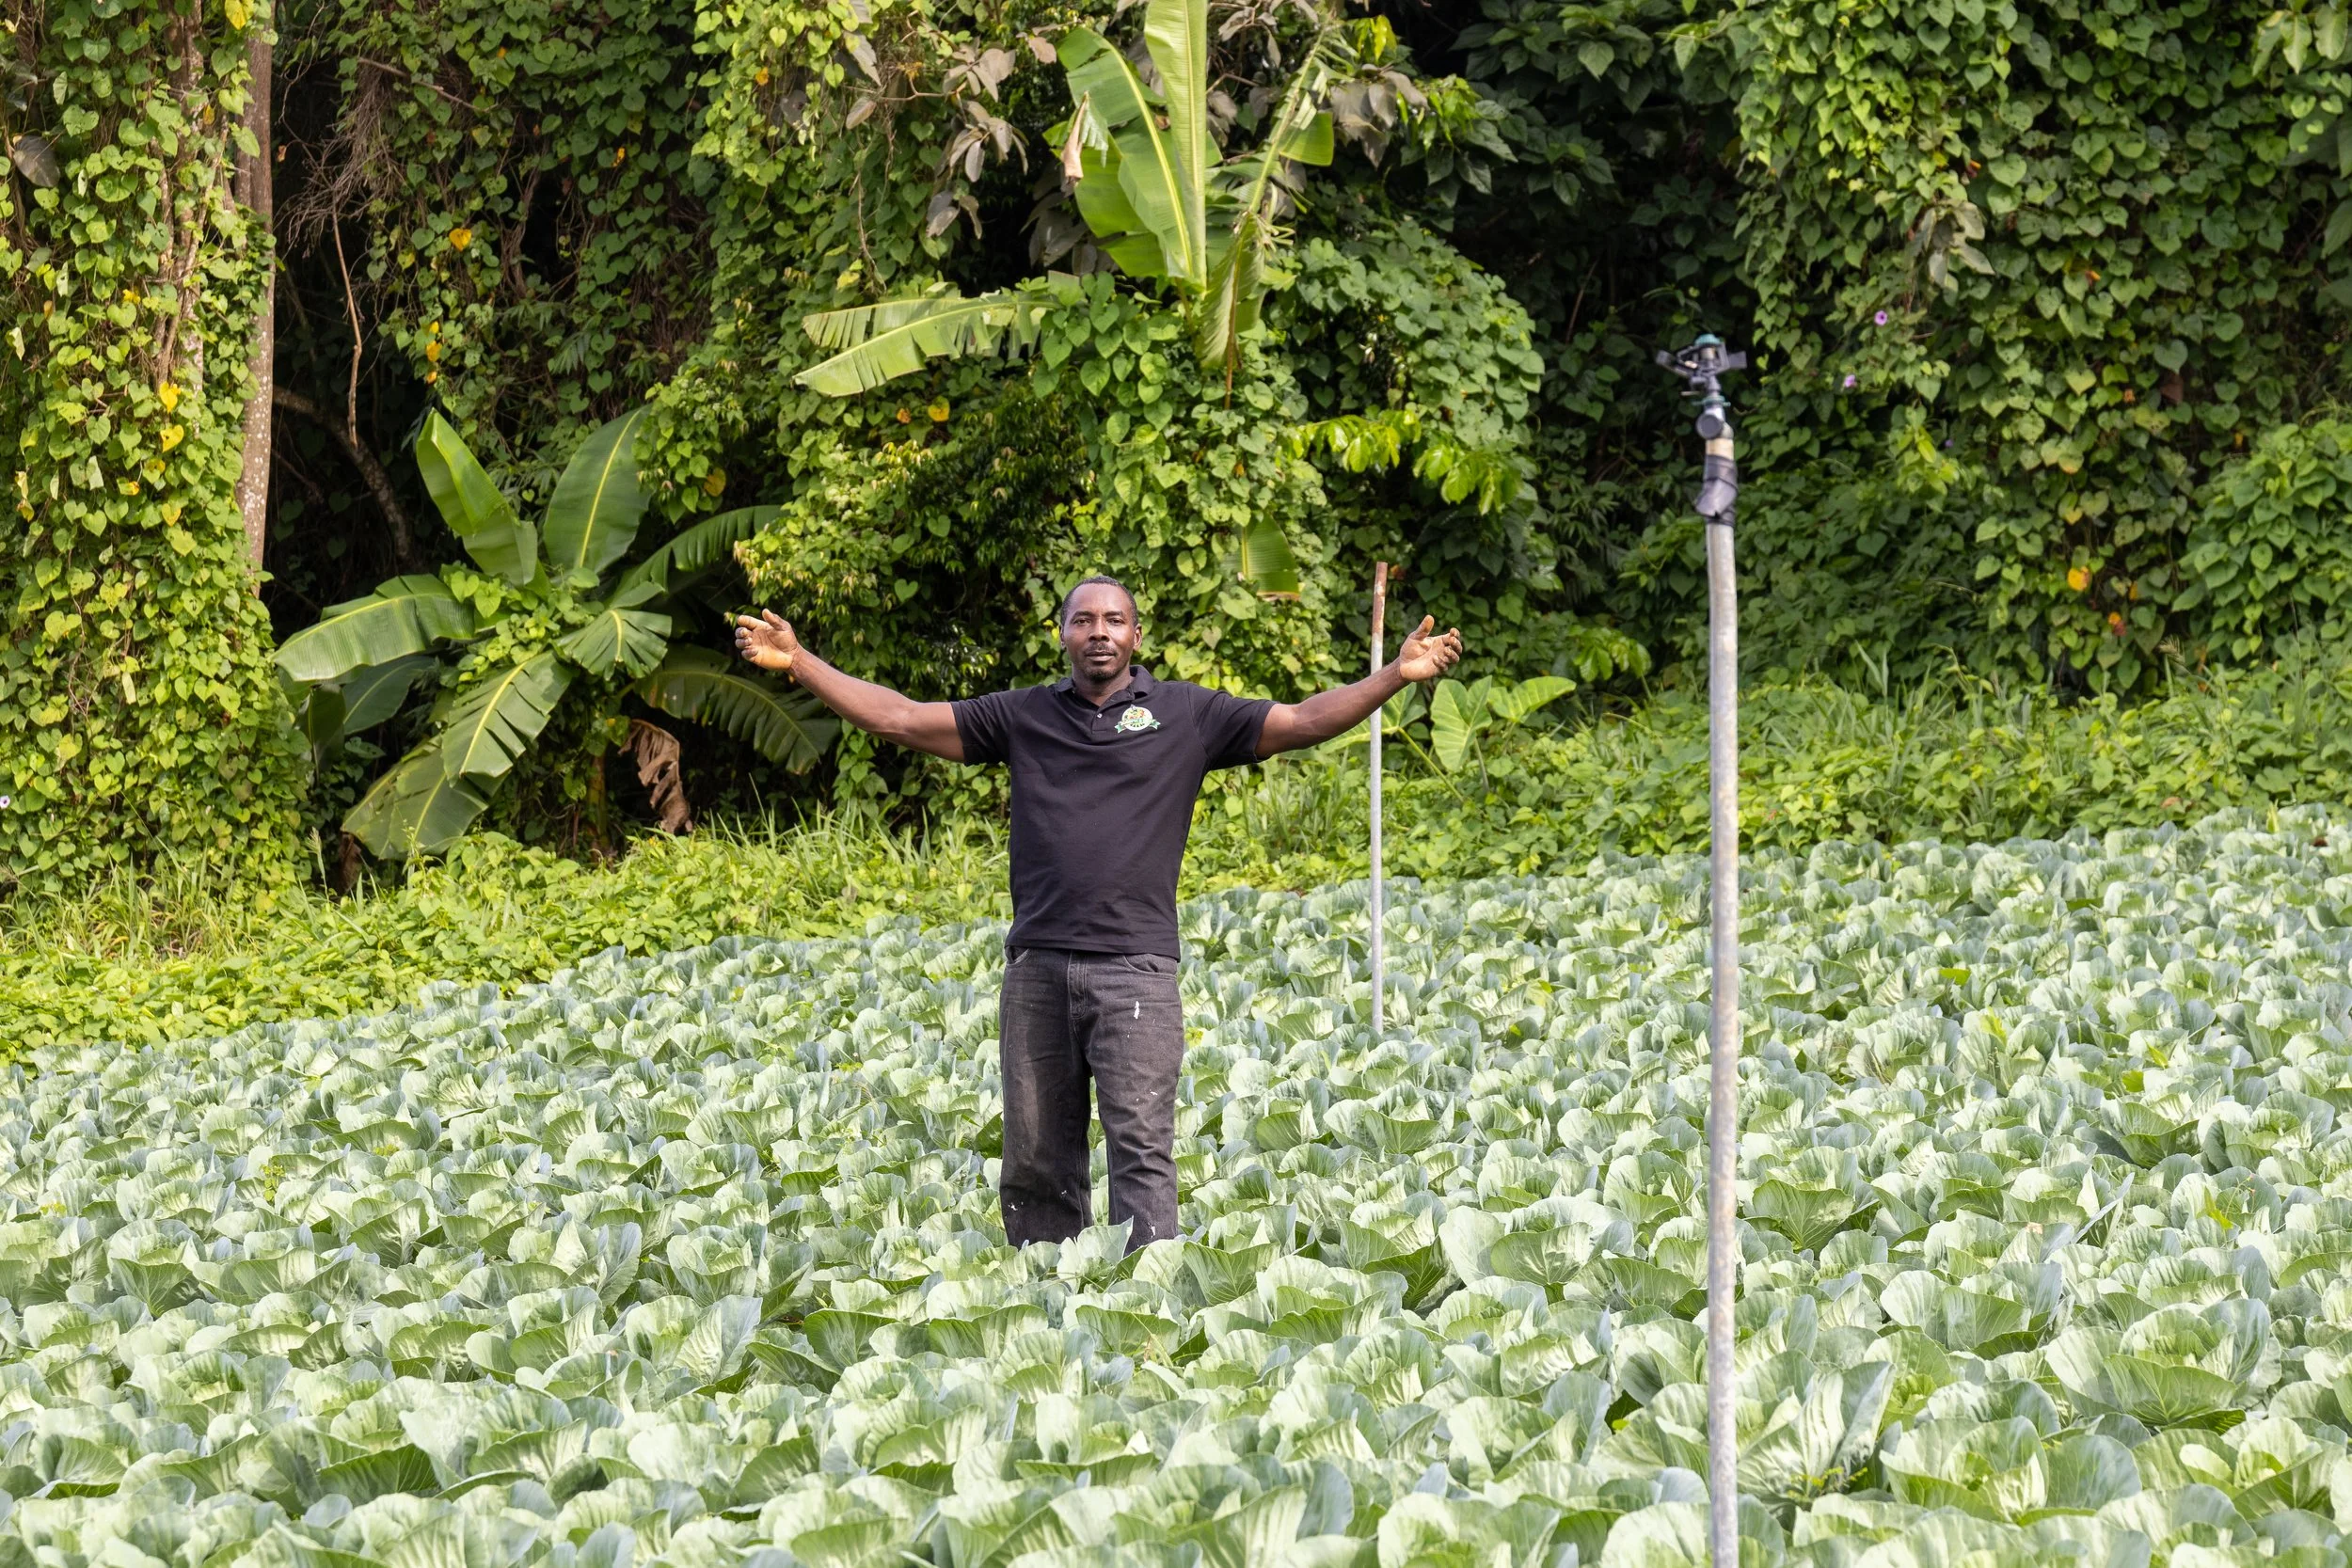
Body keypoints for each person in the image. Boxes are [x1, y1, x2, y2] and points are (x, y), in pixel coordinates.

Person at [734, 576, 1463, 1251]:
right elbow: (899, 718)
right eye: (1083, 620)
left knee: (1141, 1150)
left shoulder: (1186, 714)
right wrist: (800, 662)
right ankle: (1046, 1303)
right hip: (1039, 970)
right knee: (1034, 1155)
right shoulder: (1023, 715)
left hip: (1136, 972)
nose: (1099, 632)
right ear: (1062, 635)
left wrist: (1393, 676)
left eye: (1114, 619)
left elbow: (1303, 719)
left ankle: (1143, 1313)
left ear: (1136, 637)